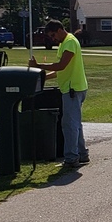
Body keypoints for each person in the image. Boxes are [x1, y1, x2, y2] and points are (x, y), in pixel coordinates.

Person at [29, 19, 89, 169]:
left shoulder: (69, 42)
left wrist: (38, 66)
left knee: (69, 124)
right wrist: (42, 77)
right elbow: (59, 71)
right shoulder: (64, 44)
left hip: (72, 89)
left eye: (53, 35)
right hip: (74, 88)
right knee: (75, 123)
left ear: (59, 30)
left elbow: (61, 65)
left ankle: (71, 158)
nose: (53, 39)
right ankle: (82, 154)